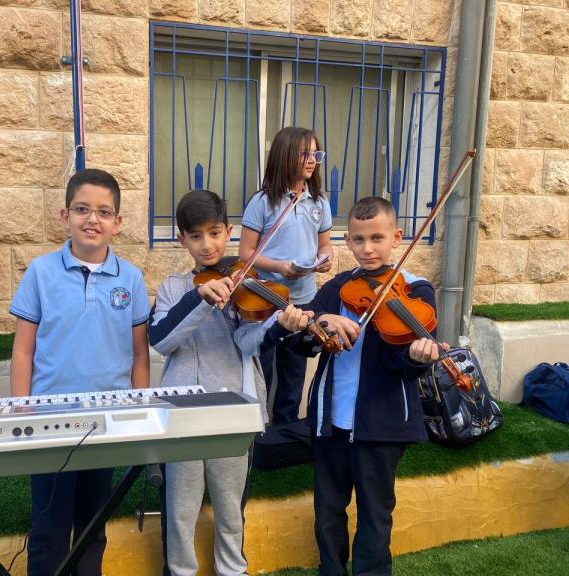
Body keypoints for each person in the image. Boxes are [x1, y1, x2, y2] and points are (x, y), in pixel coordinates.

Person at [149, 189, 311, 576]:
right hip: (184, 415)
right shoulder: (173, 287)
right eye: (196, 236)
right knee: (180, 508)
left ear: (229, 232)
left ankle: (232, 569)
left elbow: (247, 342)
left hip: (233, 410)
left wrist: (277, 327)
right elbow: (162, 340)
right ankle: (180, 571)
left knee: (230, 506)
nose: (207, 244)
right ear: (182, 239)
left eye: (215, 233)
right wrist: (200, 299)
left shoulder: (245, 285)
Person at [9, 168, 150, 576]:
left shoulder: (131, 279)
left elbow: (139, 355)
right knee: (49, 528)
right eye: (82, 209)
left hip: (107, 421)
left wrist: (138, 408)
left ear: (117, 223)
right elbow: (23, 350)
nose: (93, 219)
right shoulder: (41, 272)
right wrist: (20, 409)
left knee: (92, 525)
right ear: (65, 216)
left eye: (104, 212)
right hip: (48, 421)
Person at [296, 196, 445, 576]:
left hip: (382, 425)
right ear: (348, 240)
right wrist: (322, 321)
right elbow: (301, 341)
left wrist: (416, 357)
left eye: (377, 238)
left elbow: (400, 366)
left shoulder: (416, 291)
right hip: (330, 422)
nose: (368, 249)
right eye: (359, 240)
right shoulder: (337, 289)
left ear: (396, 237)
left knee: (375, 516)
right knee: (328, 512)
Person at [239, 126, 333, 424]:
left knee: (294, 372)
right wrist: (280, 267)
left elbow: (325, 246)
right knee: (263, 370)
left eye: (316, 154)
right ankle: (258, 430)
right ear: (285, 155)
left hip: (303, 300)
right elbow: (246, 253)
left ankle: (285, 431)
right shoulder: (262, 201)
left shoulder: (319, 201)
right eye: (305, 154)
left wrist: (324, 260)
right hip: (265, 299)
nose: (312, 160)